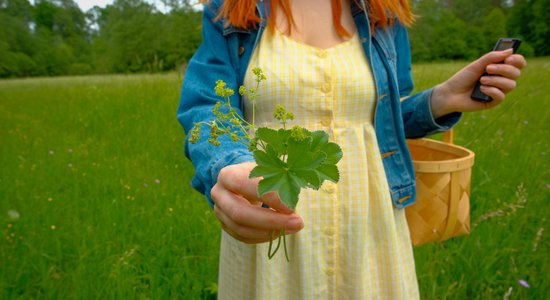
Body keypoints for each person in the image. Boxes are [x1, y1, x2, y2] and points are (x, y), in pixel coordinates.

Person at [177, 0, 526, 298]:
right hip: (270, 223)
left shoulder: (383, 12)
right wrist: (227, 168)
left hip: (372, 227)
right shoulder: (231, 10)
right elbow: (206, 106)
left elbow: (385, 119)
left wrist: (442, 99)